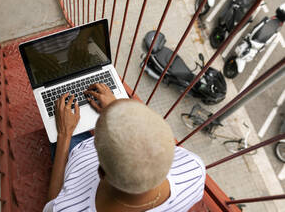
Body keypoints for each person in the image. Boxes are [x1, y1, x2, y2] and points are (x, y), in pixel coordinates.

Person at [43, 83, 206, 212]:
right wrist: (116, 107)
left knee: (59, 119)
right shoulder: (194, 170)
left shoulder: (66, 208)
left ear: (100, 172)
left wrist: (64, 135)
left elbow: (52, 202)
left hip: (75, 151)